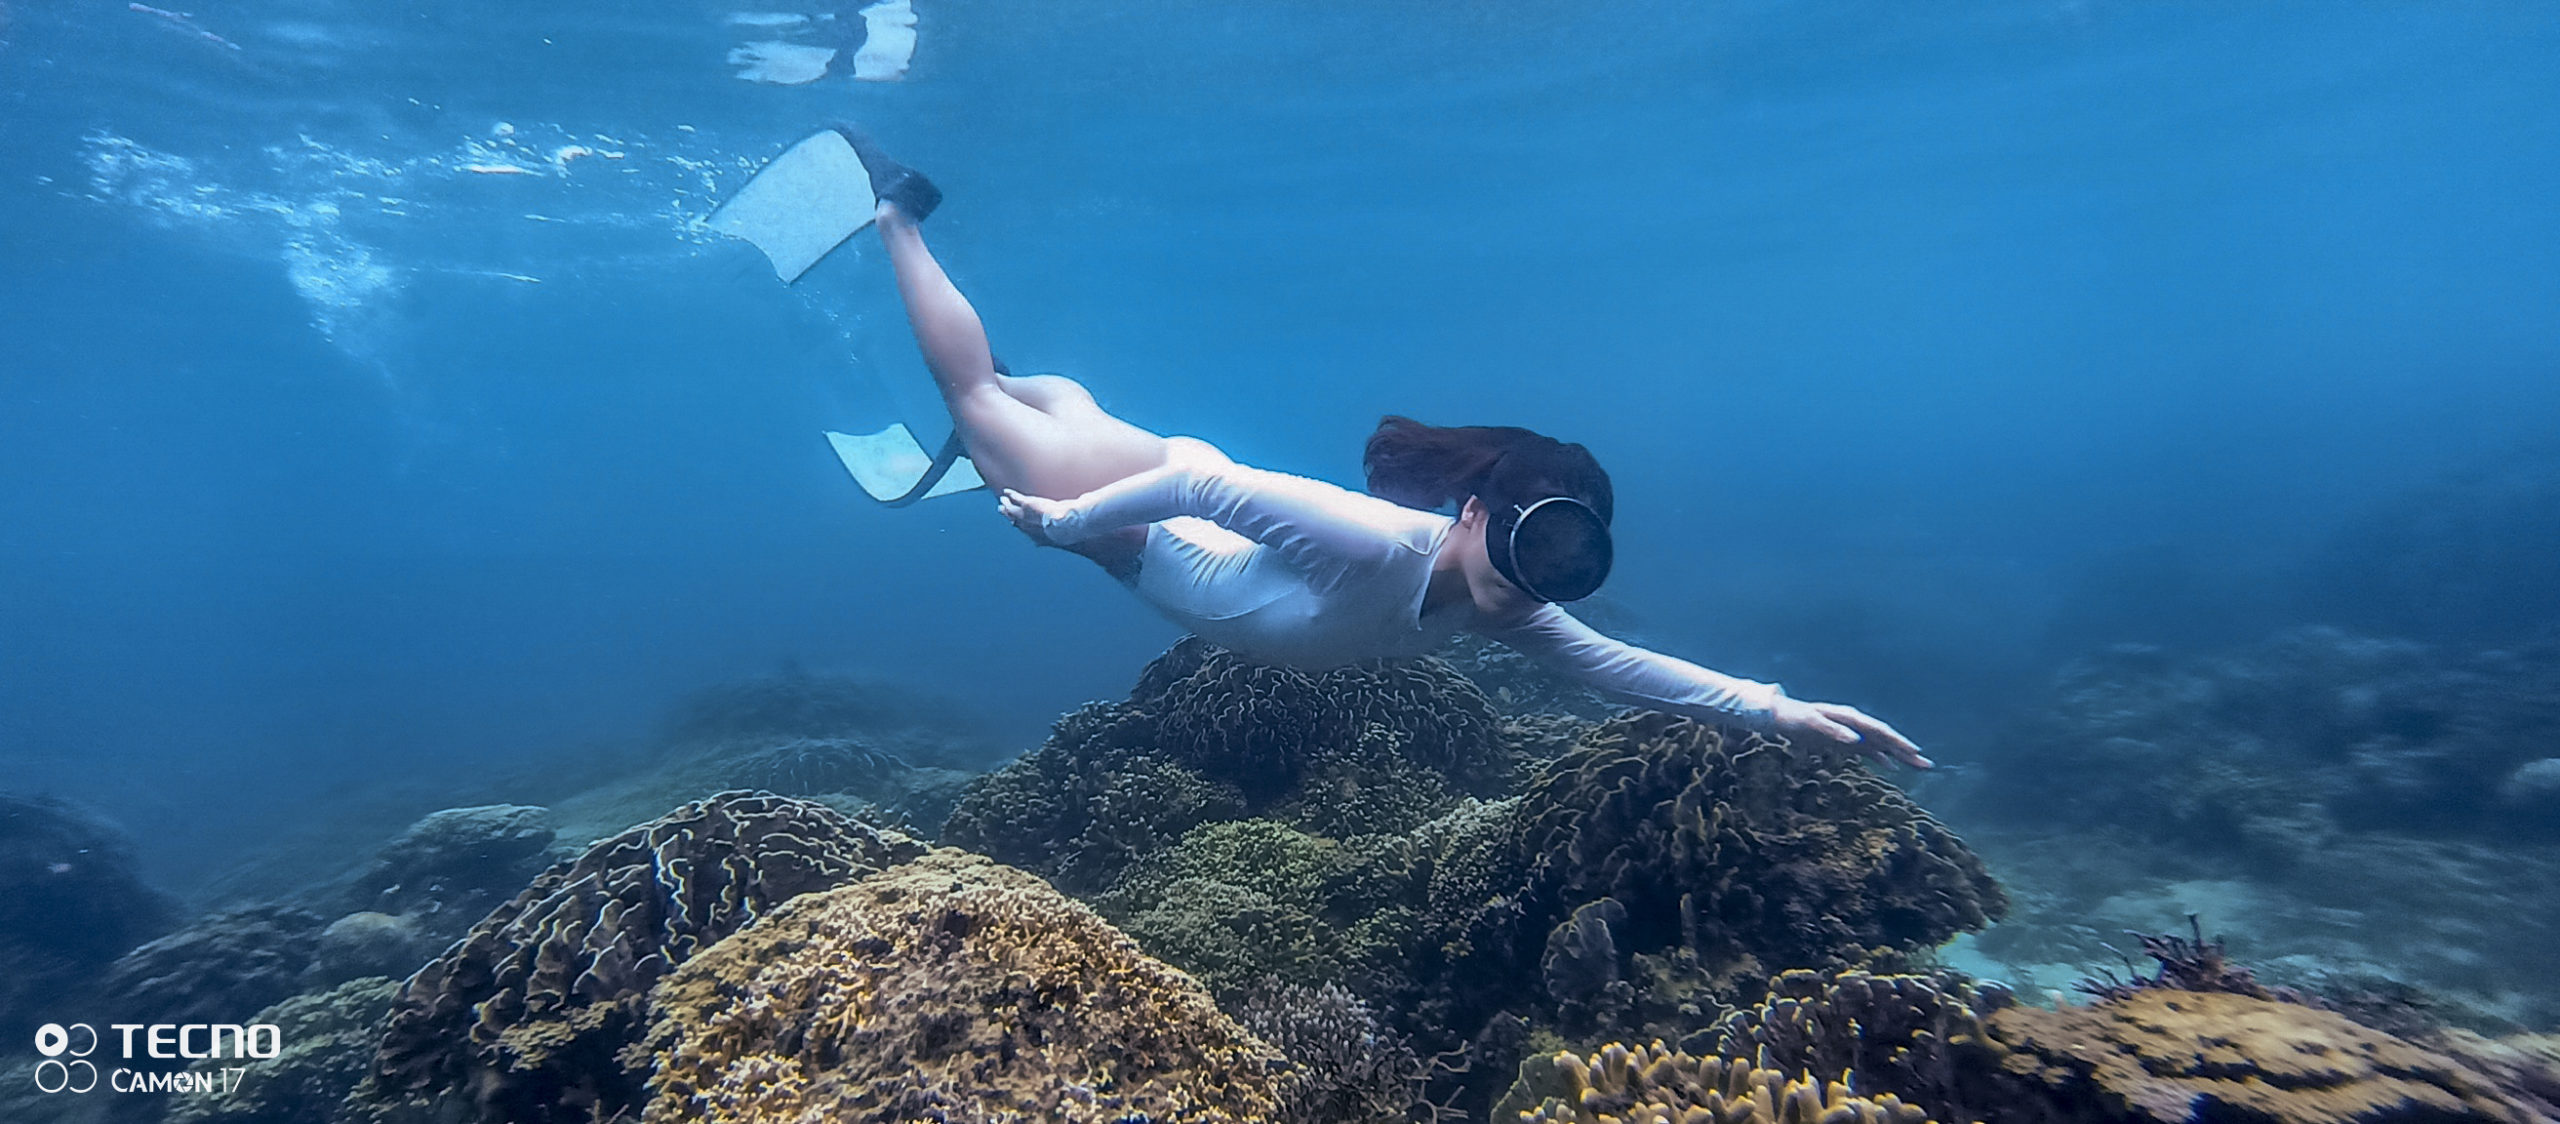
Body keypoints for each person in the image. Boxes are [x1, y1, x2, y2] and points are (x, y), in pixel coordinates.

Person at [843, 129, 1930, 769]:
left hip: (1150, 534)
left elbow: (1630, 671)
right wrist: (1064, 522)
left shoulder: (1509, 609)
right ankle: (900, 215)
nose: (1536, 583)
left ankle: (1018, 403)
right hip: (1143, 518)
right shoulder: (1379, 545)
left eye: (1564, 565)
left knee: (1045, 412)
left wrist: (1774, 707)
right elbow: (1201, 483)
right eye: (1530, 547)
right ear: (1473, 514)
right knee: (972, 399)